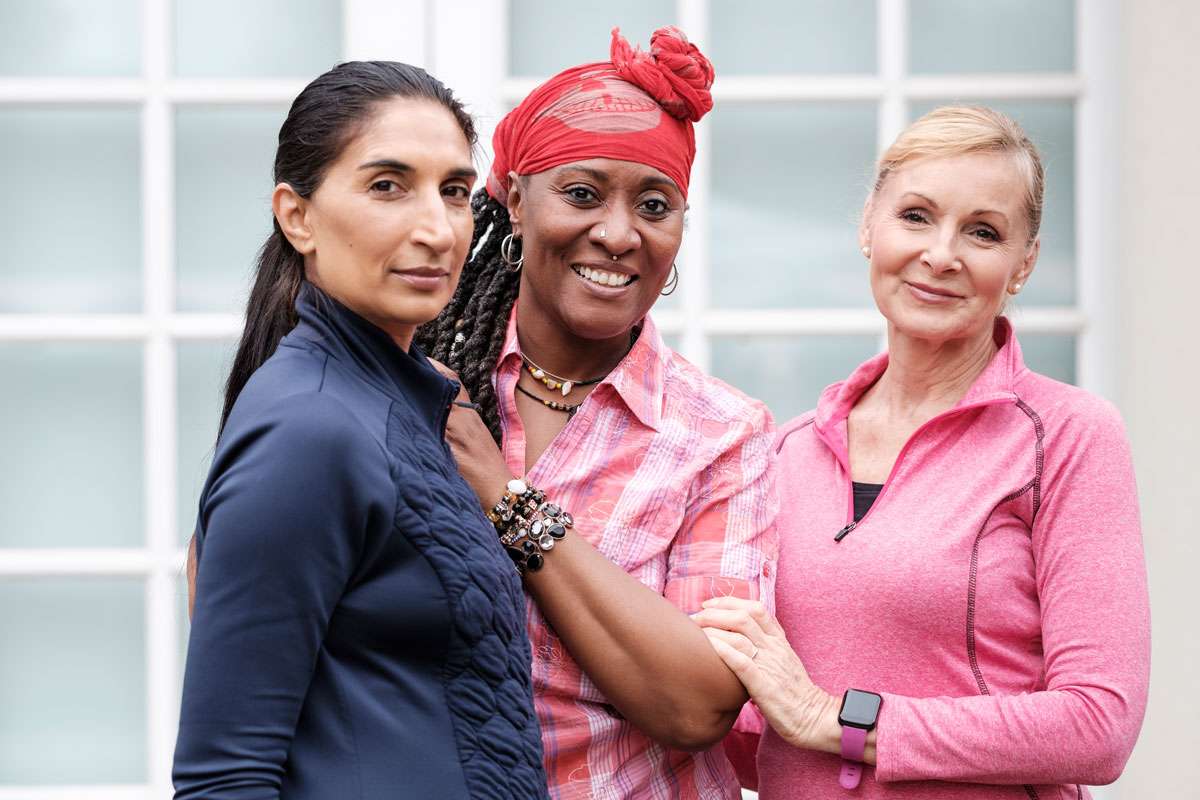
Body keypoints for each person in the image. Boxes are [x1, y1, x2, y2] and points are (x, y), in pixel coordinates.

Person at [694, 105, 1150, 799]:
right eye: (915, 216)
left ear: (1023, 263)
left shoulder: (1068, 436)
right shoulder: (781, 452)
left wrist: (839, 720)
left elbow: (1099, 723)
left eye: (983, 232)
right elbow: (768, 735)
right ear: (868, 226)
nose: (941, 254)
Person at [414, 27, 777, 800]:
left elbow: (700, 701)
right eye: (582, 194)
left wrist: (502, 496)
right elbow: (246, 591)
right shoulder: (411, 378)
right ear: (513, 198)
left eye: (655, 204)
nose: (618, 234)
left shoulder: (721, 435)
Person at [174, 61, 547, 799]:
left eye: (454, 192)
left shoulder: (408, 401)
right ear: (297, 216)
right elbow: (224, 775)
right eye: (388, 186)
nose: (438, 230)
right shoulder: (307, 429)